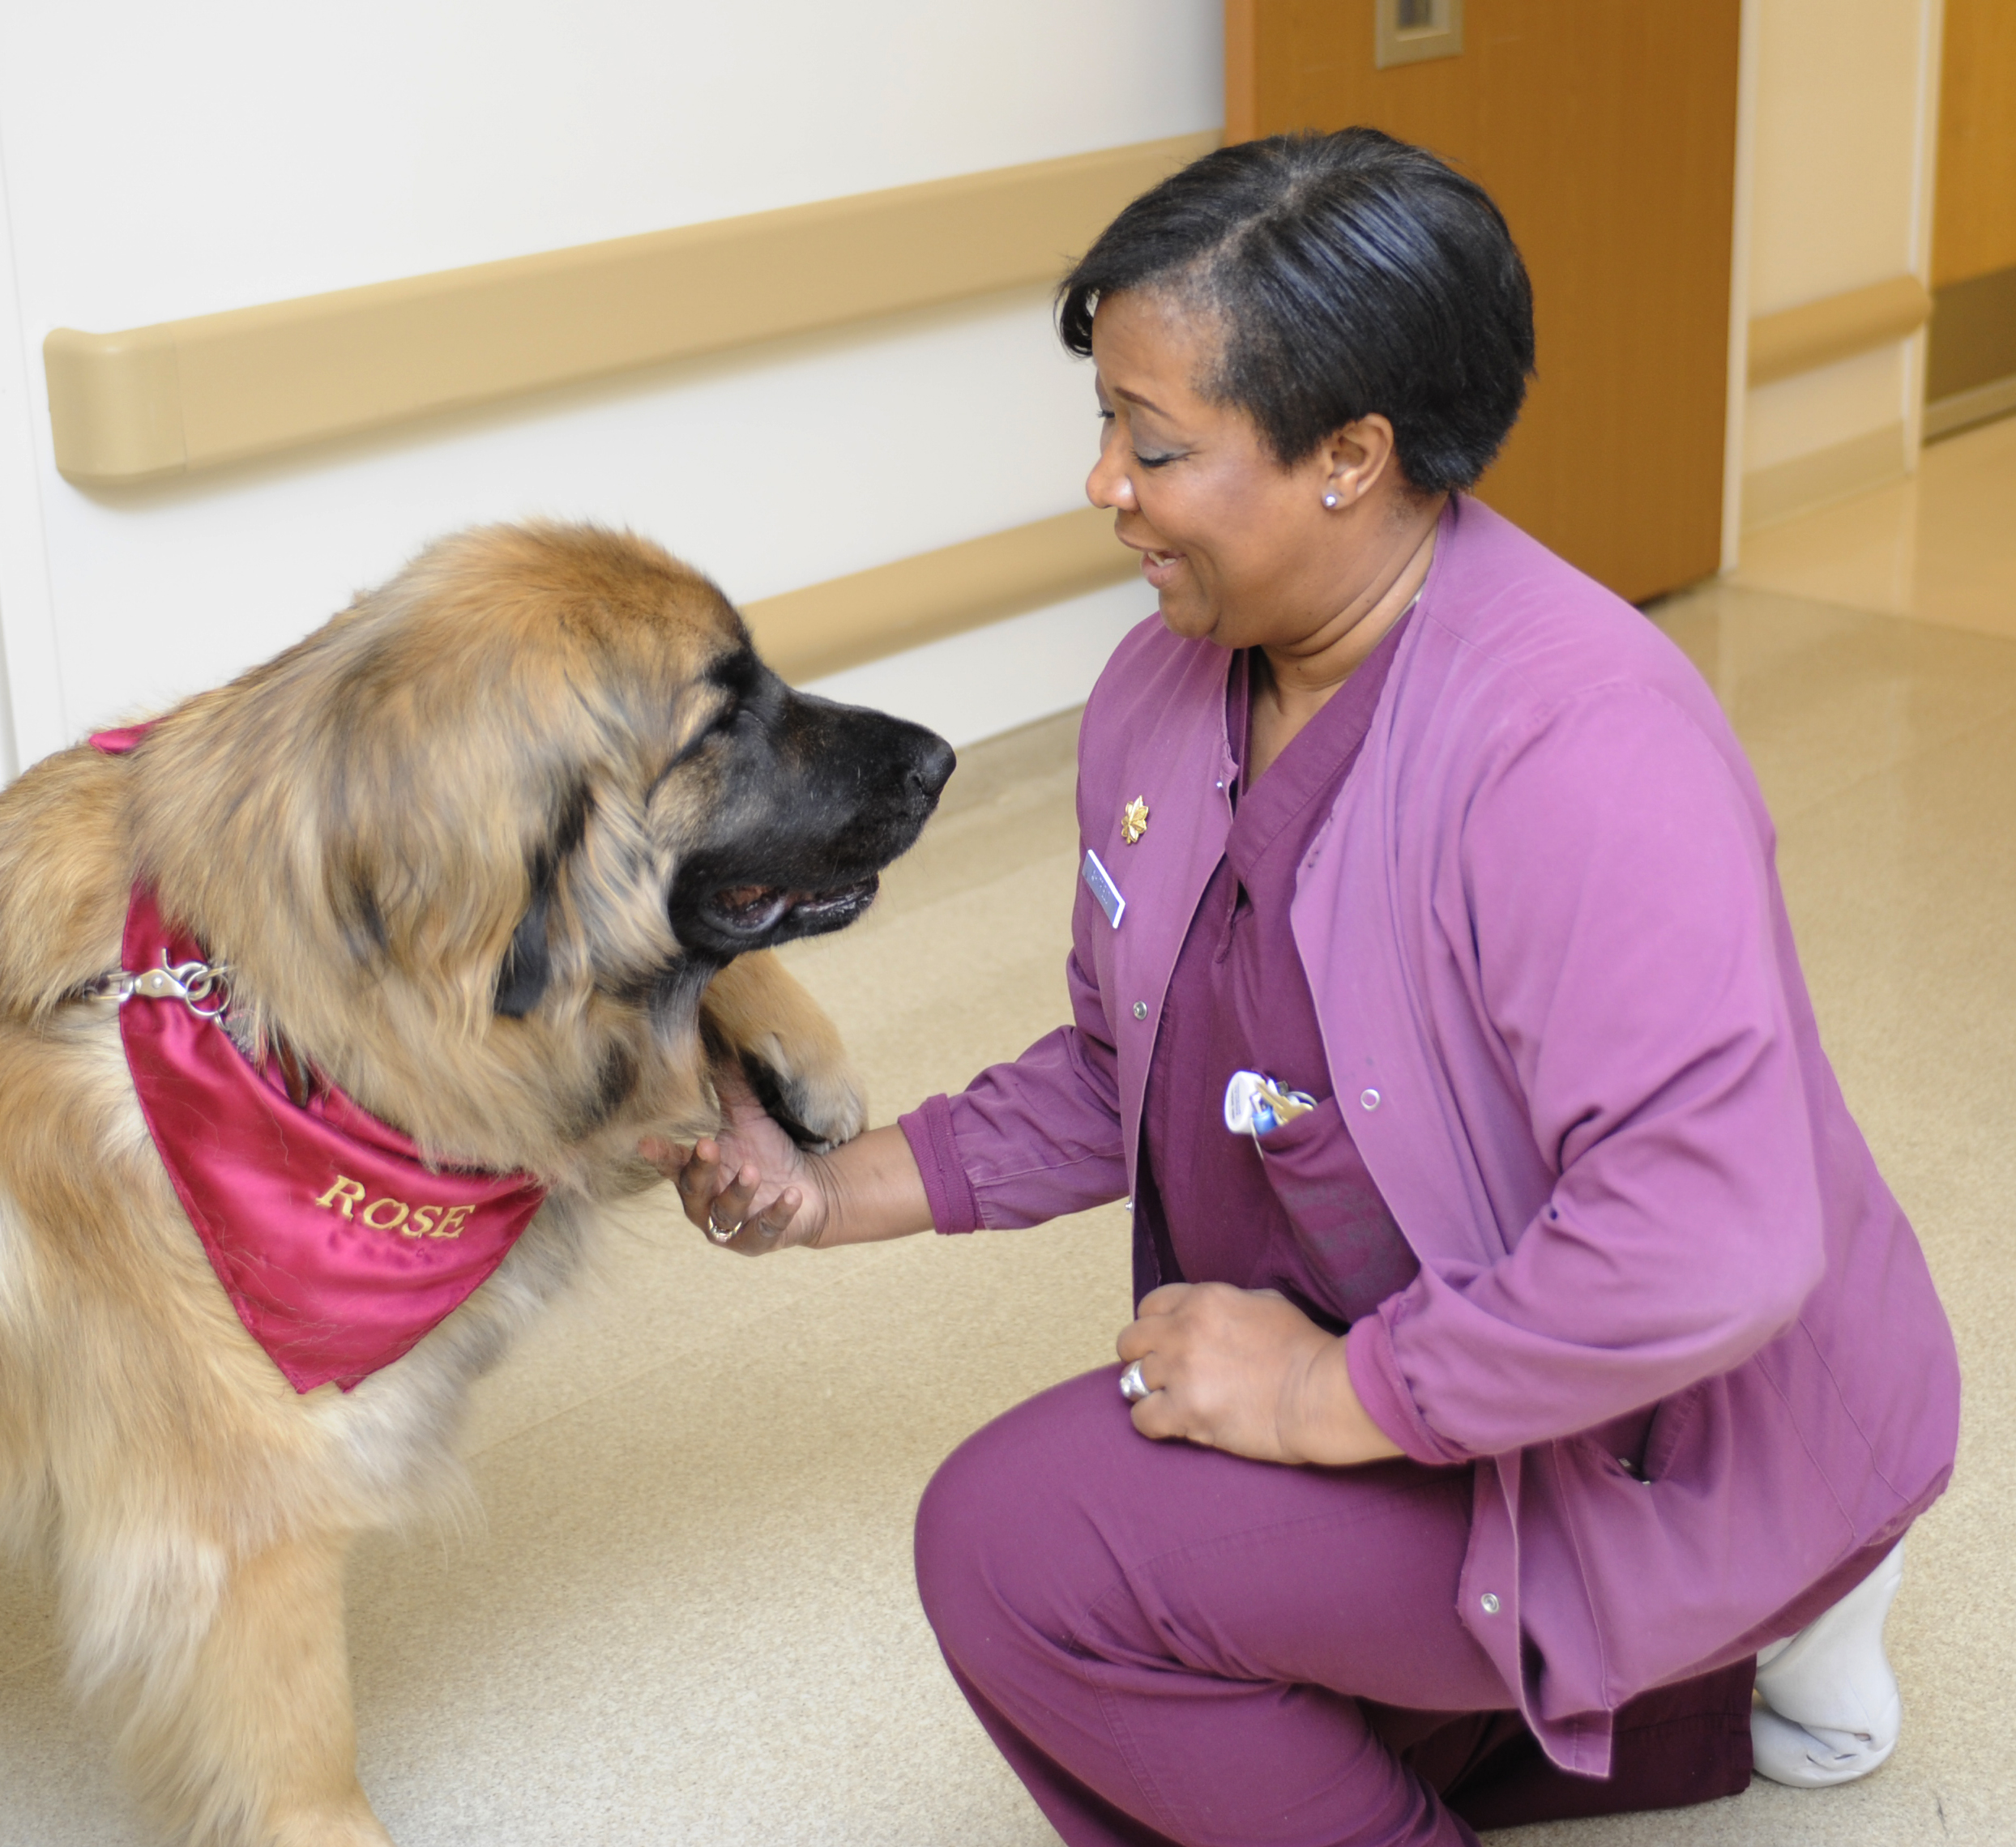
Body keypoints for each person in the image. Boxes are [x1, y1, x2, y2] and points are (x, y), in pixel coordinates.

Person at [651, 130, 1960, 1847]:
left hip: (1663, 1429)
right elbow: (1135, 1060)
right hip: (1441, 1353)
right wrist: (830, 1194)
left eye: (1157, 440)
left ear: (1350, 455)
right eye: (1103, 420)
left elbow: (1700, 1243)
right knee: (1225, 1722)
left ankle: (1772, 1588)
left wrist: (1316, 1400)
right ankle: (1689, 1698)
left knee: (1025, 1550)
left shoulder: (1576, 749)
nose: (1101, 482)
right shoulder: (1161, 688)